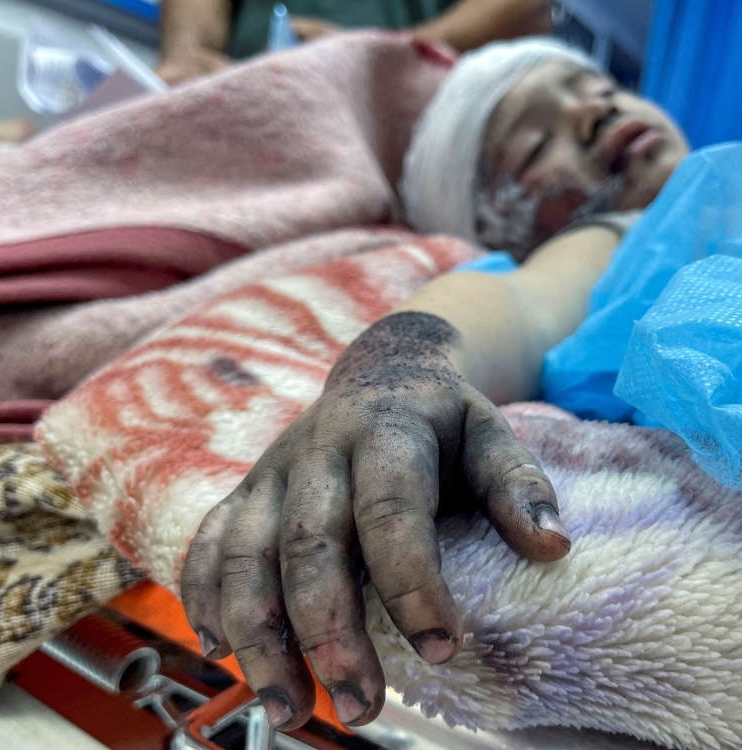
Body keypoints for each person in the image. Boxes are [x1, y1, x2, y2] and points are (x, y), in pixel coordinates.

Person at [180, 38, 690, 730]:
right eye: (538, 145)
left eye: (597, 87)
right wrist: (389, 379)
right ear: (492, 226)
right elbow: (517, 305)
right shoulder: (629, 236)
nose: (595, 113)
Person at [157, 0, 554, 85]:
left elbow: (529, 8)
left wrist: (378, 52)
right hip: (233, 93)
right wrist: (189, 53)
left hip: (396, 123)